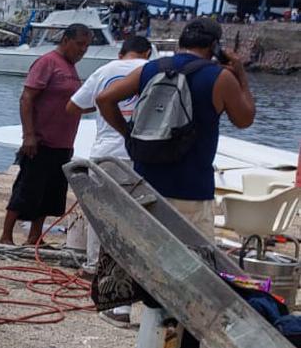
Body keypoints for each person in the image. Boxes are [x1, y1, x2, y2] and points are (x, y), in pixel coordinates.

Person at [96, 17, 255, 240]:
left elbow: (104, 99)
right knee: (193, 261)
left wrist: (127, 134)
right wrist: (241, 77)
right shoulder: (220, 77)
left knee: (145, 252)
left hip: (146, 183)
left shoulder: (151, 69)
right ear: (215, 47)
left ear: (181, 42)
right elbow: (244, 120)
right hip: (192, 189)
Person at [66, 35, 152, 325]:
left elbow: (73, 108)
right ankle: (129, 291)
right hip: (140, 156)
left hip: (106, 154)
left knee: (100, 217)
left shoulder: (105, 71)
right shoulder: (155, 69)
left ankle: (95, 269)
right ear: (147, 52)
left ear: (121, 52)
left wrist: (101, 111)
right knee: (135, 223)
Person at [0, 23, 92, 245]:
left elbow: (73, 104)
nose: (82, 50)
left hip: (63, 142)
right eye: (79, 44)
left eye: (86, 46)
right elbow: (27, 98)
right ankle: (6, 236)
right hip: (41, 140)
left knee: (50, 193)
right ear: (66, 40)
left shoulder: (70, 68)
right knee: (27, 189)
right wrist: (28, 135)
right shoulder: (48, 62)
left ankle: (34, 237)